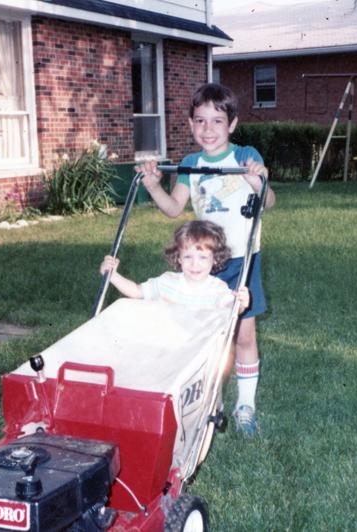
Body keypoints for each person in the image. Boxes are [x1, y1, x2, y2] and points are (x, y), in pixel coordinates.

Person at [135, 82, 276, 436]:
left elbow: (269, 201)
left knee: (243, 335)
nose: (208, 129)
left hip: (242, 261)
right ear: (190, 124)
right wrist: (153, 186)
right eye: (200, 120)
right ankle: (211, 400)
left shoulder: (245, 156)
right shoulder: (190, 164)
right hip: (204, 265)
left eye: (217, 121)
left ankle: (246, 405)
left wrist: (256, 182)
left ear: (232, 124)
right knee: (207, 337)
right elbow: (174, 208)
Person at [99, 220, 249, 313]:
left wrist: (241, 303)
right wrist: (112, 275)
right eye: (188, 257)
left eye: (203, 257)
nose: (194, 264)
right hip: (169, 343)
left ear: (215, 259)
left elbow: (232, 308)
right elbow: (137, 291)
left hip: (201, 347)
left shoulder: (218, 289)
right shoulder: (167, 282)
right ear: (179, 258)